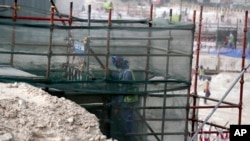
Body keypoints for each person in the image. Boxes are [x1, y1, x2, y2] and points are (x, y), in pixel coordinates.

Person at [108, 56, 138, 141]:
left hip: (128, 101)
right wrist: (110, 73)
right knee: (125, 123)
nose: (116, 65)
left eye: (116, 63)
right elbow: (118, 77)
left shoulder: (127, 73)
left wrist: (117, 103)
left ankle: (130, 139)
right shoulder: (123, 71)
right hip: (124, 100)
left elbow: (124, 90)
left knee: (127, 124)